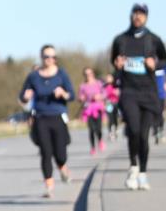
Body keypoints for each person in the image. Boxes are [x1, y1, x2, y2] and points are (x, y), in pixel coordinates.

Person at [110, 3, 166, 191]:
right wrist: (117, 65)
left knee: (144, 136)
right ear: (131, 16)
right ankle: (133, 166)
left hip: (148, 92)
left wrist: (156, 63)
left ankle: (142, 173)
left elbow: (165, 60)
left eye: (142, 14)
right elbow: (114, 60)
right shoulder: (121, 39)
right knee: (134, 131)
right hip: (129, 92)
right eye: (135, 13)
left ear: (146, 17)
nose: (138, 17)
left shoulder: (153, 39)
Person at [21, 45, 74, 198]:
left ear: (55, 58)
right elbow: (22, 96)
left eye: (52, 57)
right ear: (41, 57)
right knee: (46, 152)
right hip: (41, 118)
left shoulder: (62, 74)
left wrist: (63, 93)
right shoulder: (33, 76)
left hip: (58, 116)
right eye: (46, 57)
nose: (50, 60)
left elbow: (72, 95)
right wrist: (26, 96)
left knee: (60, 154)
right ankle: (49, 185)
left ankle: (63, 167)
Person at [78, 68, 106, 155]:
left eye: (89, 73)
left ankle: (100, 140)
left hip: (98, 108)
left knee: (98, 128)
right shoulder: (82, 86)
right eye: (86, 74)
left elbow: (104, 94)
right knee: (91, 129)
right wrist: (81, 98)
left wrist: (99, 96)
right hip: (88, 109)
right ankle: (93, 147)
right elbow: (80, 97)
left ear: (93, 74)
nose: (88, 75)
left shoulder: (98, 83)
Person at [153, 64, 166, 144]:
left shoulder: (162, 63)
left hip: (161, 93)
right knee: (153, 113)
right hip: (150, 93)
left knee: (160, 112)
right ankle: (155, 131)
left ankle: (160, 130)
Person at [103, 73, 120, 141]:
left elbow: (118, 94)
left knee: (115, 117)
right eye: (107, 78)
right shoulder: (104, 86)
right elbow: (104, 95)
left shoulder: (115, 86)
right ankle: (110, 132)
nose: (108, 79)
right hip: (108, 104)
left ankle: (115, 130)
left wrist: (116, 93)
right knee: (110, 118)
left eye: (109, 78)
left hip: (116, 103)